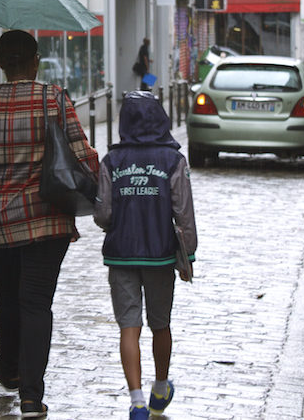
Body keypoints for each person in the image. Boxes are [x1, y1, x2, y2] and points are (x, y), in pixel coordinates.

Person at [0, 30, 99, 419]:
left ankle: (8, 366)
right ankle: (31, 397)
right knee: (36, 304)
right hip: (44, 217)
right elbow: (80, 151)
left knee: (4, 296)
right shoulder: (51, 97)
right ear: (35, 61)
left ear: (2, 63)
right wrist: (99, 192)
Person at [94, 92, 197, 420]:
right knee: (160, 324)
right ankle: (160, 387)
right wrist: (188, 256)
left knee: (129, 327)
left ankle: (136, 400)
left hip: (121, 254)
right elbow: (184, 212)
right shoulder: (173, 161)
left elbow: (103, 214)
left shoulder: (112, 161)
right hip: (160, 255)